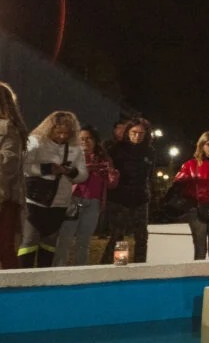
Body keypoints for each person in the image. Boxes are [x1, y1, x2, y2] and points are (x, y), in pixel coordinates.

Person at [20, 111, 87, 267]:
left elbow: (83, 174)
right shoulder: (35, 141)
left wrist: (71, 172)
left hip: (59, 202)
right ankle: (23, 274)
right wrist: (46, 169)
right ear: (49, 128)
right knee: (29, 239)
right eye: (58, 132)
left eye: (66, 133)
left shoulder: (76, 148)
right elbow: (23, 166)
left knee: (50, 241)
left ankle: (44, 275)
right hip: (34, 199)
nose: (62, 136)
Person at [55, 125, 119, 266]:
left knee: (84, 241)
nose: (85, 141)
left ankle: (81, 271)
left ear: (95, 140)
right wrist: (86, 169)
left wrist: (113, 174)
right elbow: (64, 177)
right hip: (72, 200)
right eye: (82, 138)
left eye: (89, 138)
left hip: (93, 203)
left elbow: (111, 185)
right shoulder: (71, 156)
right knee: (65, 239)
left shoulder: (104, 159)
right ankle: (58, 270)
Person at [102, 117, 155, 264]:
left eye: (141, 133)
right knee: (118, 235)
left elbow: (149, 175)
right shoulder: (116, 149)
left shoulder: (150, 151)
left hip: (140, 198)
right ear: (128, 132)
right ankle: (119, 264)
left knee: (141, 236)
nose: (137, 136)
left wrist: (147, 192)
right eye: (134, 132)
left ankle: (140, 266)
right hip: (119, 198)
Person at [174, 131, 209, 260]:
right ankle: (199, 273)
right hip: (196, 210)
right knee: (200, 249)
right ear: (202, 146)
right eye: (208, 144)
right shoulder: (189, 165)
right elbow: (177, 186)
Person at [0, 83, 29, 269]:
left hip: (5, 197)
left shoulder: (7, 128)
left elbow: (8, 164)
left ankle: (13, 284)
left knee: (4, 248)